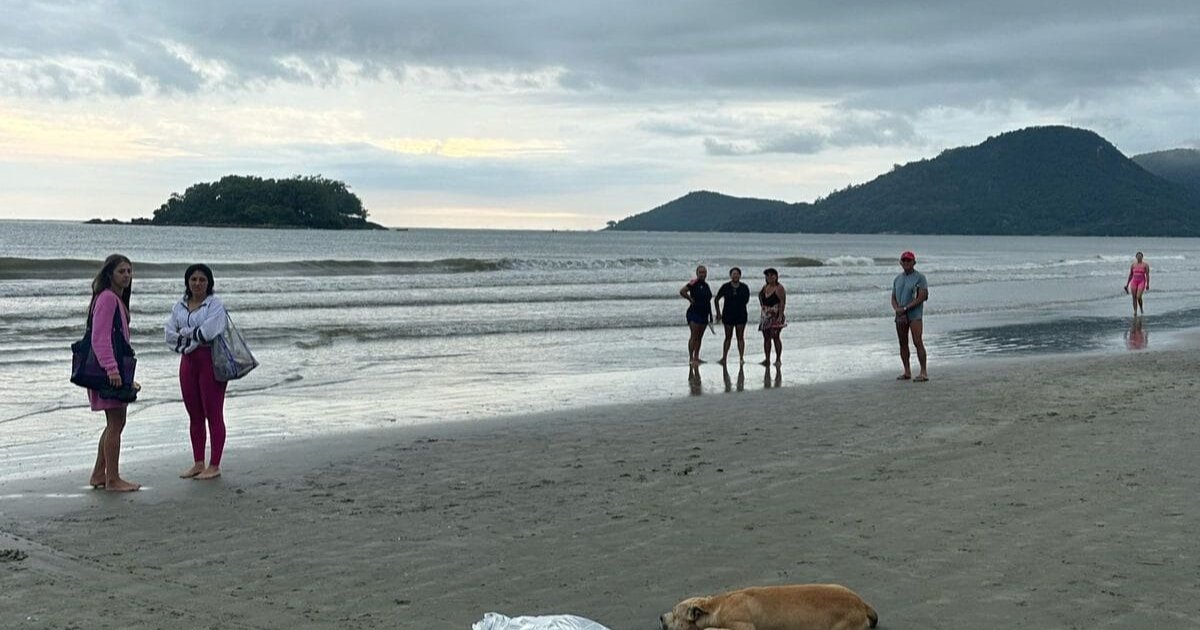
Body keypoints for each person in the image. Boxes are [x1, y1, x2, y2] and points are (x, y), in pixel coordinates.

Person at [165, 264, 230, 480]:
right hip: (187, 363)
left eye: (202, 279)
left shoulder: (215, 305)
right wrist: (191, 336)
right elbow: (168, 335)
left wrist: (185, 333)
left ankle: (215, 464)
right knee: (194, 414)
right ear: (187, 282)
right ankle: (198, 462)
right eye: (193, 279)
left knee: (213, 413)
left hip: (210, 362)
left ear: (209, 283)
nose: (197, 283)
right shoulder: (179, 306)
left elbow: (209, 332)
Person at [86, 254, 141, 492]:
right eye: (121, 271)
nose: (126, 276)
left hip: (114, 368)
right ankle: (112, 479)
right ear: (110, 274)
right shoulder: (107, 298)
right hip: (109, 371)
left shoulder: (114, 298)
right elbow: (99, 337)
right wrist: (111, 368)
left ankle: (99, 473)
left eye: (129, 271)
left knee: (115, 422)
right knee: (116, 422)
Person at [891, 250, 928, 382]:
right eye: (904, 260)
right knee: (903, 343)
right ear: (901, 262)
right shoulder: (897, 279)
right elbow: (893, 298)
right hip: (900, 315)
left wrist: (906, 308)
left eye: (909, 260)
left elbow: (922, 296)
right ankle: (907, 371)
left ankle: (923, 372)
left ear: (914, 262)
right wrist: (897, 309)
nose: (906, 262)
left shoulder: (920, 278)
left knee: (917, 341)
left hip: (914, 315)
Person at [713, 267, 751, 365]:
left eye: (737, 274)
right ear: (730, 275)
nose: (735, 275)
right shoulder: (725, 286)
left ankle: (741, 358)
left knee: (740, 337)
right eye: (733, 274)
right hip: (728, 315)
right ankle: (724, 358)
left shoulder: (744, 287)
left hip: (741, 315)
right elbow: (716, 299)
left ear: (740, 275)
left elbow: (746, 300)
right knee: (728, 337)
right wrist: (718, 313)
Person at [679, 265, 714, 365]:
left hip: (704, 314)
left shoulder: (706, 285)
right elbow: (682, 291)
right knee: (694, 336)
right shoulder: (693, 282)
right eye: (701, 272)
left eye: (704, 272)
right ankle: (691, 358)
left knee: (700, 337)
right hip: (694, 313)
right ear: (697, 273)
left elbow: (708, 301)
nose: (703, 274)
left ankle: (696, 357)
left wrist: (710, 316)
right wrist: (690, 299)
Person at [757, 268, 787, 365]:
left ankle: (778, 359)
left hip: (776, 316)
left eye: (772, 275)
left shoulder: (779, 288)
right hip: (765, 316)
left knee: (776, 337)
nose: (770, 277)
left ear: (776, 276)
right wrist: (763, 307)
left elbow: (782, 303)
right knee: (766, 338)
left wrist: (780, 316)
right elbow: (759, 296)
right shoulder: (765, 287)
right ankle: (767, 359)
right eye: (767, 275)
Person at [1124, 252, 1150, 316]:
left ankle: (1141, 308)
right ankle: (1135, 311)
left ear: (1142, 257)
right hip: (1134, 281)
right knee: (1134, 297)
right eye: (1138, 256)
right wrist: (1127, 284)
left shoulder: (1145, 265)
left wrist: (1148, 284)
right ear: (1136, 257)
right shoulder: (1133, 265)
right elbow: (1130, 275)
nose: (1139, 257)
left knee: (1138, 296)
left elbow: (1147, 275)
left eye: (1140, 256)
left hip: (1141, 281)